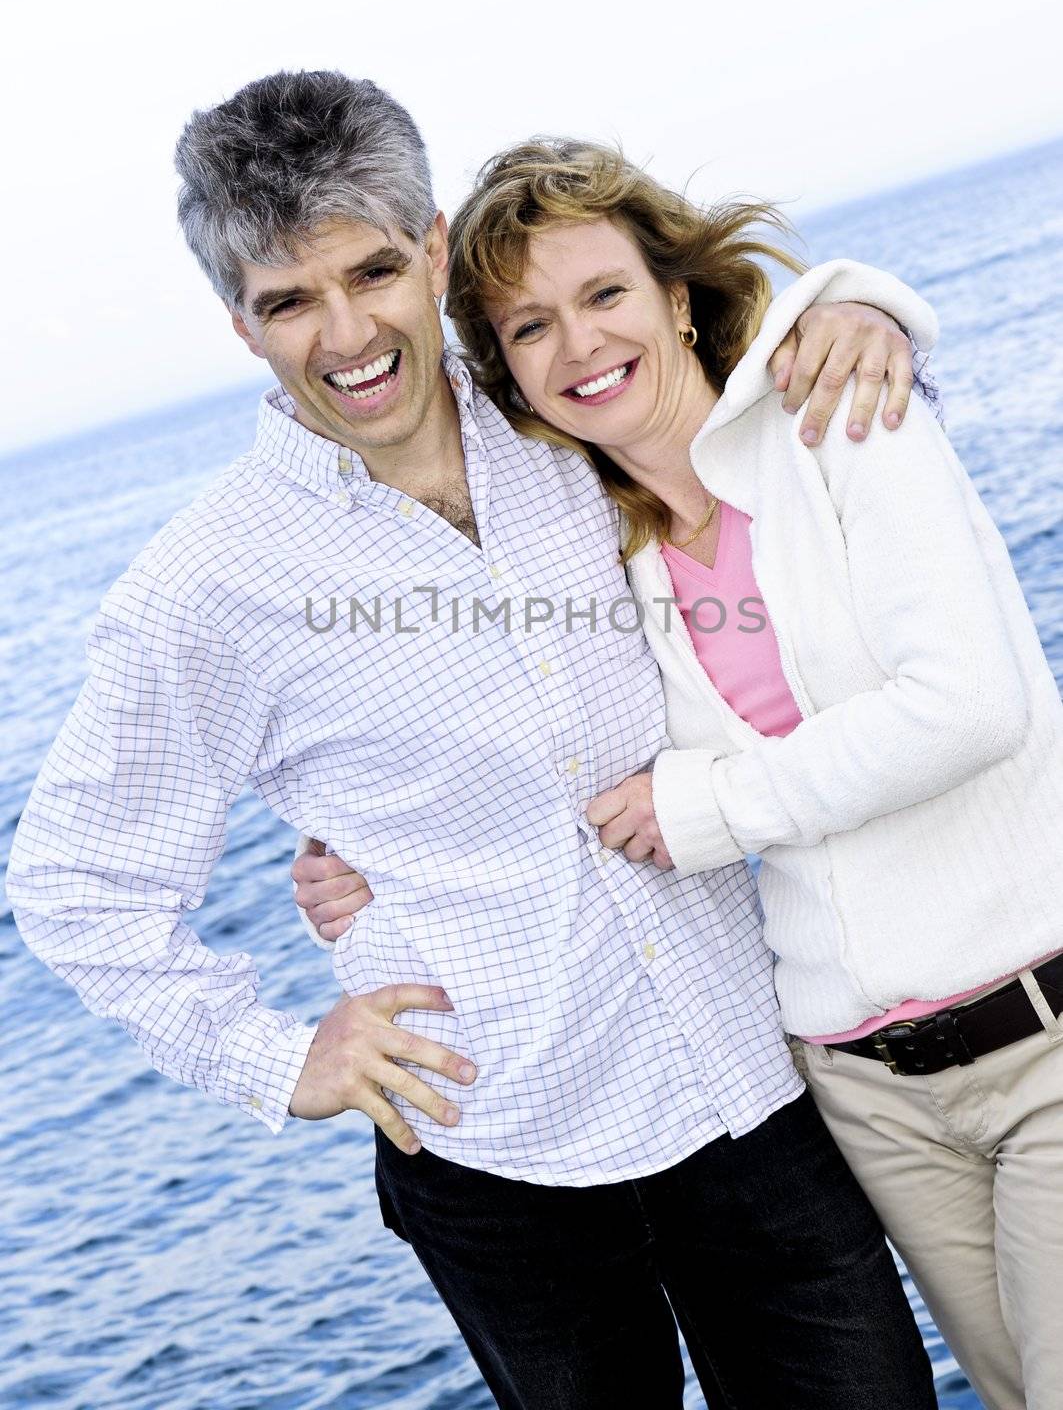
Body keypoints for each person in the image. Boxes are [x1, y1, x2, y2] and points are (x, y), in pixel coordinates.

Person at [9, 72, 944, 1410]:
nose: (346, 334)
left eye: (373, 271)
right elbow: (75, 884)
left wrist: (865, 308)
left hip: (751, 1091)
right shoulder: (204, 588)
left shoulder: (568, 408)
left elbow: (752, 343)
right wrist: (282, 1056)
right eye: (287, 301)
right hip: (504, 1158)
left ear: (433, 247)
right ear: (239, 323)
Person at [306, 135, 1062, 1410]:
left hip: (1040, 1029)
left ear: (674, 293)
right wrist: (380, 874)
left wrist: (860, 300)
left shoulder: (838, 416)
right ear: (512, 379)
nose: (579, 344)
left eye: (603, 294)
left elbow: (966, 705)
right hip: (859, 1086)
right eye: (529, 327)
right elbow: (545, 755)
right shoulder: (611, 554)